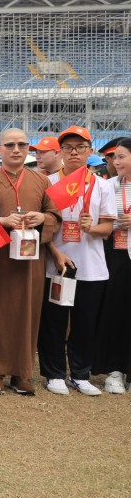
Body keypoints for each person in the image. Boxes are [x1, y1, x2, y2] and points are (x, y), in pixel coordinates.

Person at [0, 128, 60, 396]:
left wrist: (42, 219)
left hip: (30, 258)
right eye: (10, 145)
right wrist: (2, 221)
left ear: (29, 149)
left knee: (28, 311)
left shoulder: (42, 181)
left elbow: (55, 216)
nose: (16, 149)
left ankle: (22, 372)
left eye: (22, 144)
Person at [39, 126, 116, 396]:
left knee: (84, 323)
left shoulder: (103, 186)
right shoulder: (48, 183)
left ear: (90, 151)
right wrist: (53, 251)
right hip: (57, 264)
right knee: (53, 322)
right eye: (68, 147)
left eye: (80, 147)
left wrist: (91, 228)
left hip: (92, 267)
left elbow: (108, 228)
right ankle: (54, 373)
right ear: (60, 152)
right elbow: (43, 227)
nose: (74, 152)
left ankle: (81, 374)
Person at [96, 138, 131, 392]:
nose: (115, 162)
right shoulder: (107, 185)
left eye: (121, 157)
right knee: (115, 311)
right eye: (114, 158)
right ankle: (114, 370)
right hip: (114, 253)